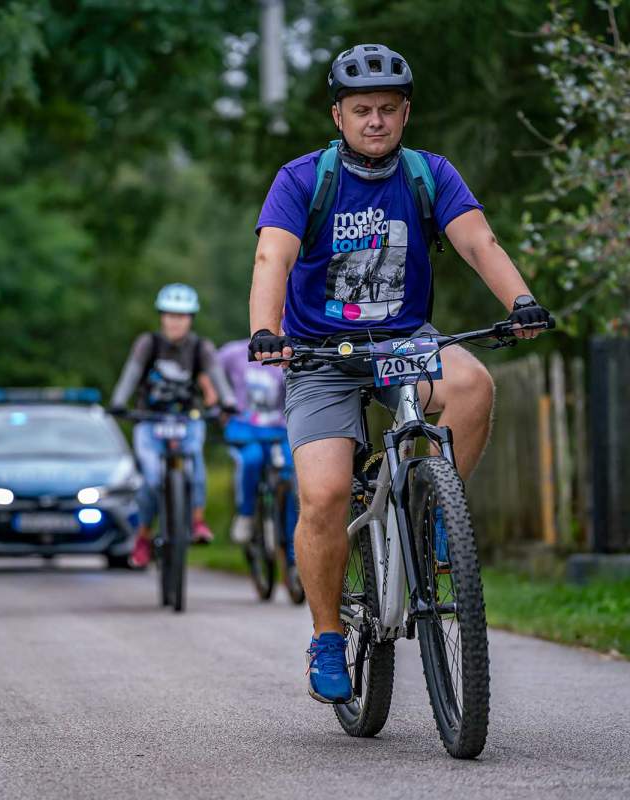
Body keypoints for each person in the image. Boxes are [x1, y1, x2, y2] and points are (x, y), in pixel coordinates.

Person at [248, 44, 551, 704]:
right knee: (325, 495)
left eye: (388, 109)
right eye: (362, 110)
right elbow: (273, 254)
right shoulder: (304, 179)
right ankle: (328, 636)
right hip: (321, 355)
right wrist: (265, 331)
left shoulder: (429, 174)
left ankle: (433, 512)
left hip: (405, 343)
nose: (376, 121)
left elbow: (479, 240)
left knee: (472, 384)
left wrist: (520, 301)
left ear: (406, 112)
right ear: (338, 115)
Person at [110, 284, 237, 569]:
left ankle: (197, 520)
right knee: (152, 480)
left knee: (194, 467)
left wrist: (227, 401)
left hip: (186, 419)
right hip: (150, 420)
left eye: (181, 316)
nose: (175, 321)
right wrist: (119, 401)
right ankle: (143, 536)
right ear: (161, 317)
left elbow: (216, 375)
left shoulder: (200, 347)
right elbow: (131, 374)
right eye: (169, 315)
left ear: (191, 319)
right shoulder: (148, 344)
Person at [217, 338, 299, 587]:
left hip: (278, 430)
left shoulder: (292, 351)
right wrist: (219, 402)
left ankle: (294, 557)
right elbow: (210, 371)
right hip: (244, 428)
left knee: (292, 478)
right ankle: (246, 515)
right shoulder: (233, 352)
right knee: (251, 460)